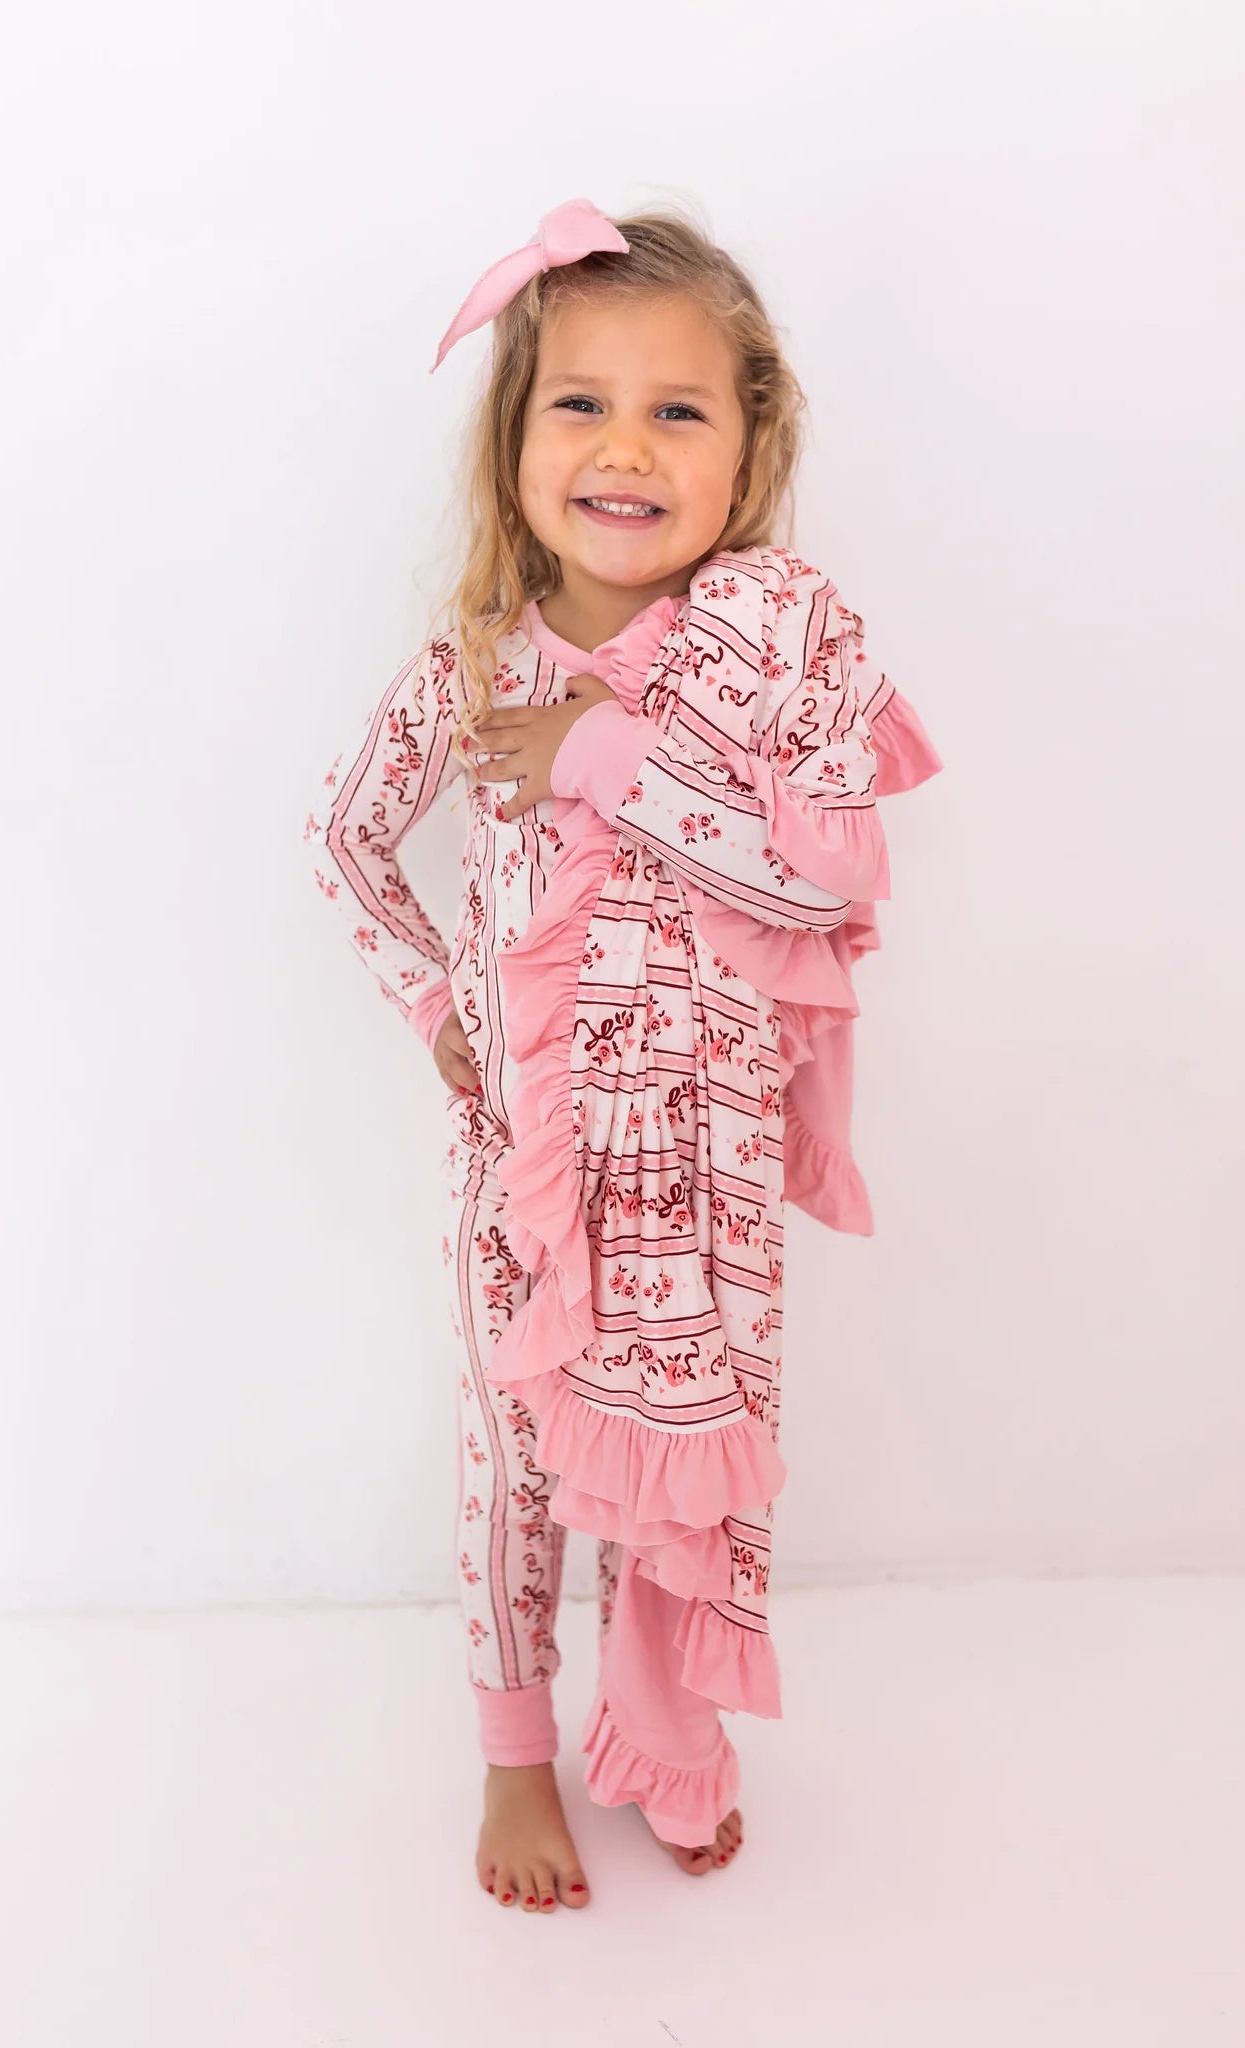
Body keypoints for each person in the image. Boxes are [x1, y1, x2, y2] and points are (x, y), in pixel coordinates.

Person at [302, 197, 943, 1917]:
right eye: (578, 403)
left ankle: (662, 1740)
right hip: (523, 1181)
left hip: (697, 1186)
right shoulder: (466, 671)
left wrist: (601, 752)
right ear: (513, 441)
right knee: (518, 1473)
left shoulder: (765, 673)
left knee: (675, 1473)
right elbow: (342, 844)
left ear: (750, 446)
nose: (625, 447)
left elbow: (817, 878)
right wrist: (439, 1006)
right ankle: (515, 1753)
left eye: (678, 409)